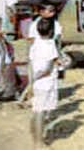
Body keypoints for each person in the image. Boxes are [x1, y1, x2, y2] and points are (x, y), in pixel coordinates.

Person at [29, 18, 60, 146]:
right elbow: (48, 68)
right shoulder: (50, 44)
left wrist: (31, 81)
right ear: (52, 31)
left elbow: (30, 63)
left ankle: (35, 136)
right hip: (46, 82)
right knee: (41, 112)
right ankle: (39, 141)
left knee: (37, 110)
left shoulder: (35, 44)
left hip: (36, 83)